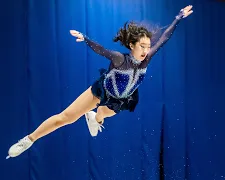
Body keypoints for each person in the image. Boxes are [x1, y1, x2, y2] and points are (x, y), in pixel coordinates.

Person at [6, 5, 193, 159]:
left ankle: (94, 118)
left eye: (148, 46)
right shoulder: (121, 59)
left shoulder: (147, 58)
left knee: (101, 114)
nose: (146, 50)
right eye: (142, 46)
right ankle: (29, 140)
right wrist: (85, 39)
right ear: (131, 45)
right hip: (101, 92)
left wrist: (177, 18)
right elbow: (102, 50)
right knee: (66, 118)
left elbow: (164, 38)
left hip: (120, 99)